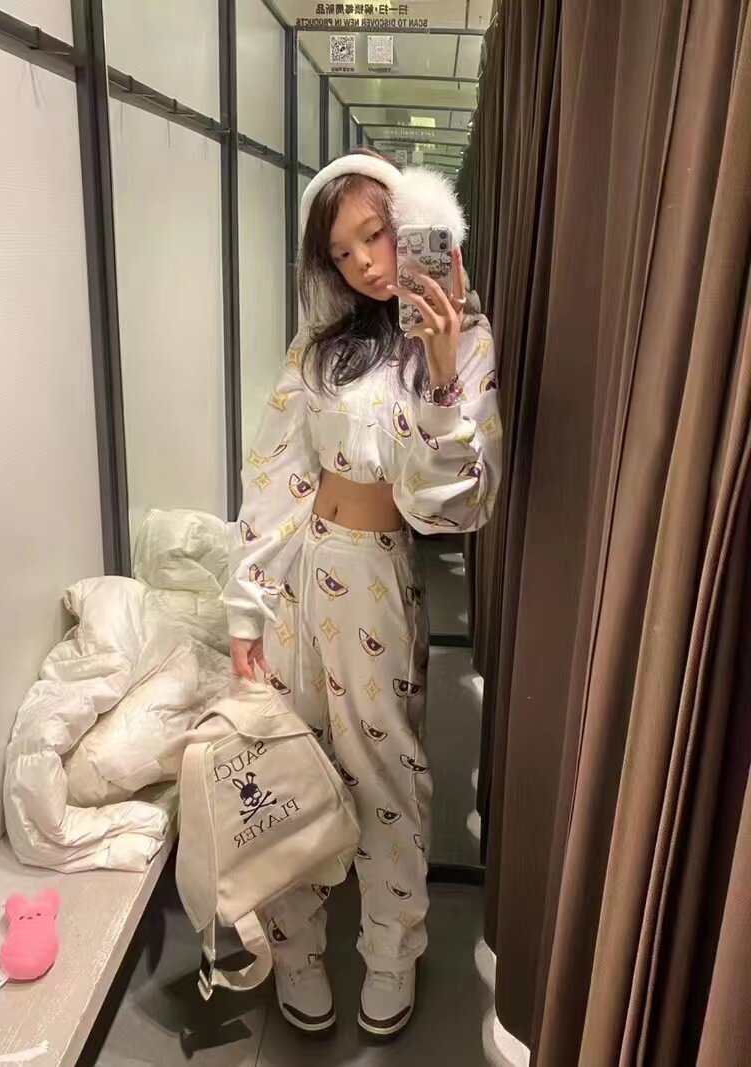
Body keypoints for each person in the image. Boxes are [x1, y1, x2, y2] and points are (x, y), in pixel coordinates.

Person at [223, 148, 502, 1039]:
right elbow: (275, 472)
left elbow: (451, 506)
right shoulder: (321, 349)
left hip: (377, 578)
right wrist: (247, 604)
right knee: (287, 764)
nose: (367, 264)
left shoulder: (462, 339)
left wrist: (443, 371)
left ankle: (390, 951)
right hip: (300, 573)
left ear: (412, 220)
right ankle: (297, 948)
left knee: (386, 774)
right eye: (342, 253)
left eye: (376, 235)